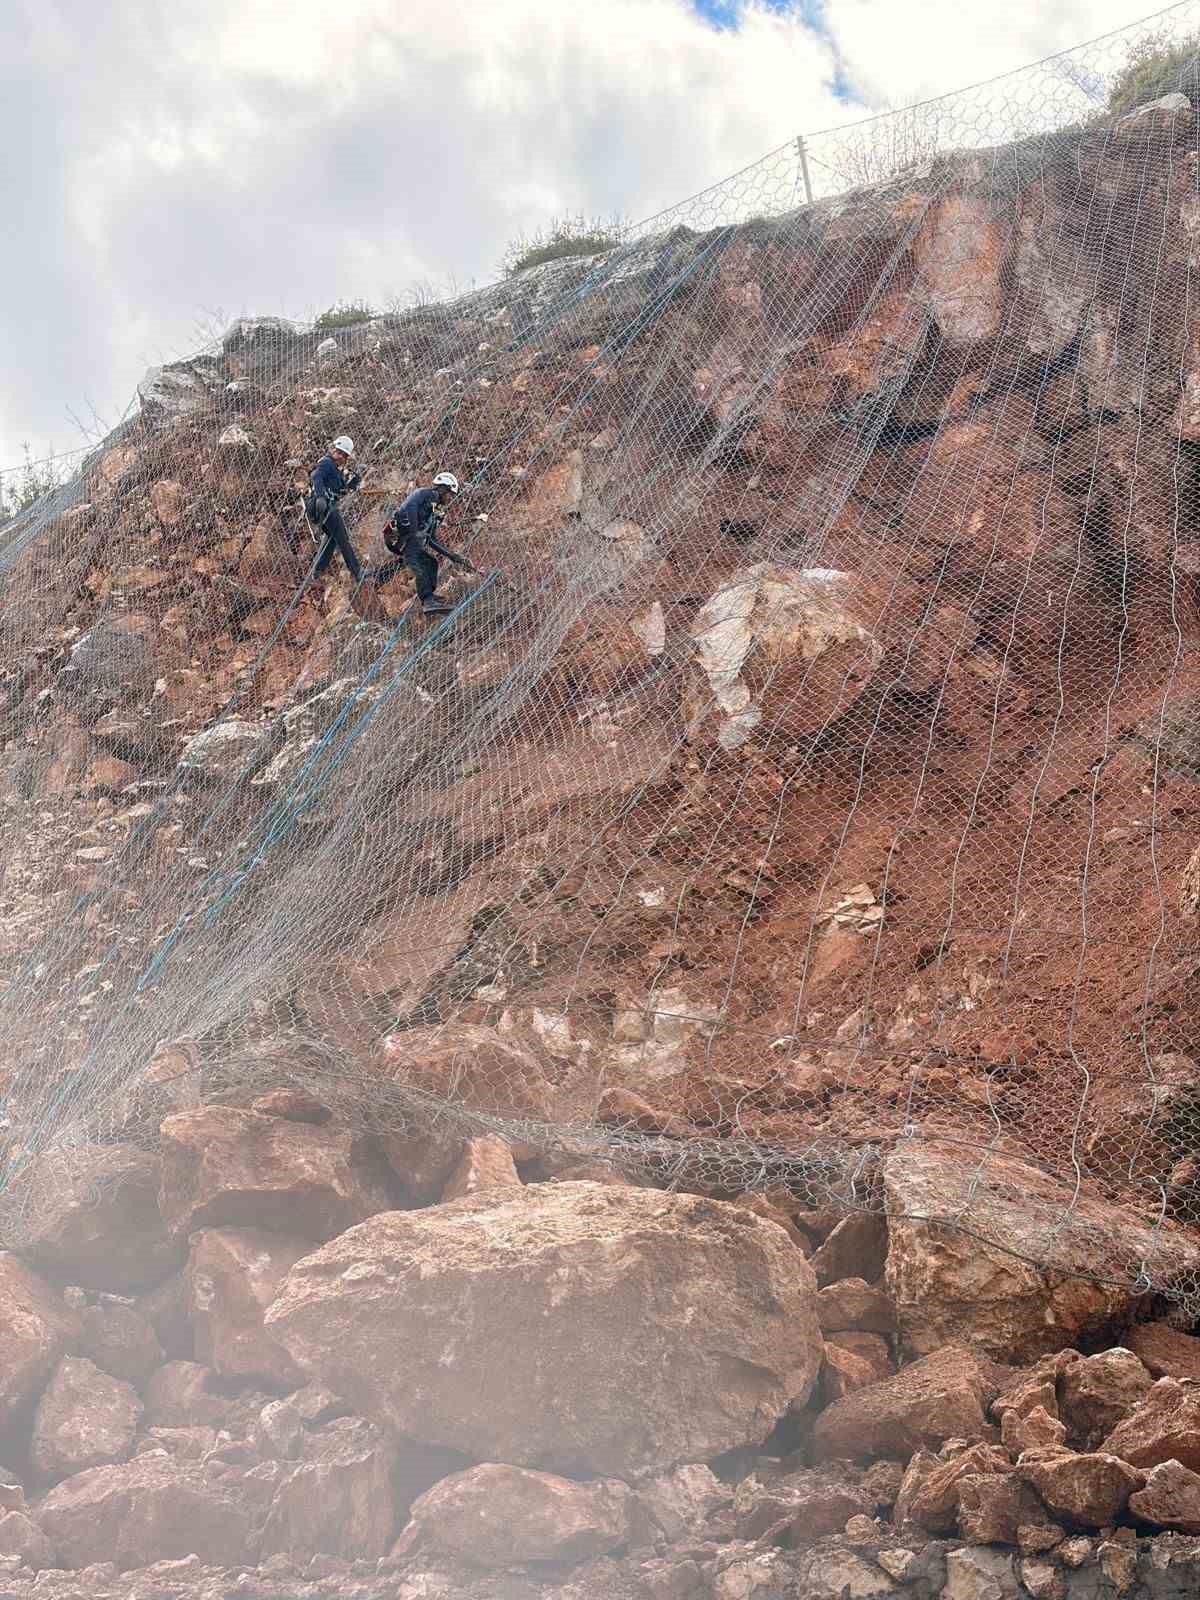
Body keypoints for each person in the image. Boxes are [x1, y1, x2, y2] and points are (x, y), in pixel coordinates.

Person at [375, 471, 477, 615]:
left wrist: (451, 555)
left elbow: (430, 539)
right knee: (420, 567)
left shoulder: (433, 512)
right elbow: (409, 507)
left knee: (431, 564)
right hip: (401, 538)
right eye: (449, 494)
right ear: (442, 488)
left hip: (411, 541)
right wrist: (415, 530)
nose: (450, 498)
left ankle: (429, 596)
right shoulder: (424, 494)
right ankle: (427, 601)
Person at [303, 435, 366, 583]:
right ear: (335, 451)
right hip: (323, 506)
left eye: (342, 455)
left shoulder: (335, 470)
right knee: (342, 537)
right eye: (338, 452)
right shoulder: (326, 463)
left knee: (332, 538)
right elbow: (316, 476)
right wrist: (320, 497)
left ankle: (317, 570)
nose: (340, 456)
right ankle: (357, 571)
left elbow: (339, 490)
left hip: (324, 506)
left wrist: (351, 483)